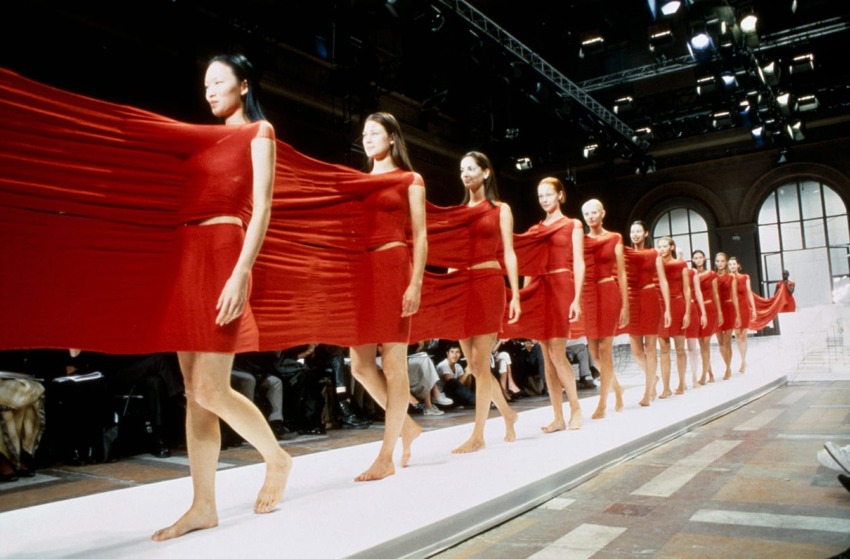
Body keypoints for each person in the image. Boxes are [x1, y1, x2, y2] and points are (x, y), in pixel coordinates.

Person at [150, 54, 293, 542]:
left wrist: (241, 272)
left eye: (219, 81)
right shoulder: (202, 138)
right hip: (187, 257)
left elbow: (263, 209)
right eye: (205, 83)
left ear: (243, 84)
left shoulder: (260, 132)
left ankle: (276, 457)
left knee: (210, 387)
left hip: (224, 255)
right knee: (194, 393)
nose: (209, 90)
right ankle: (203, 505)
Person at [411, 151, 520, 454]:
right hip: (460, 287)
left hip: (488, 284)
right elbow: (450, 255)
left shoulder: (501, 209)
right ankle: (508, 415)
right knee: (472, 364)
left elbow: (509, 252)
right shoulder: (459, 212)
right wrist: (448, 288)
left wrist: (516, 293)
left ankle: (479, 434)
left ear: (486, 172)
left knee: (481, 364)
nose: (466, 173)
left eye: (471, 168)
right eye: (462, 169)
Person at [347, 112, 427, 481]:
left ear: (392, 138)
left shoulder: (410, 179)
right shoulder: (360, 181)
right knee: (359, 365)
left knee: (394, 365)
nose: (367, 138)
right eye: (364, 133)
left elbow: (421, 236)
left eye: (375, 133)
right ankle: (407, 427)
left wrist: (414, 284)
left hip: (394, 268)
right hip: (364, 272)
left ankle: (386, 455)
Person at [504, 177, 585, 431]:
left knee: (556, 353)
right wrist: (526, 296)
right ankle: (558, 417)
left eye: (549, 194)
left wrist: (577, 298)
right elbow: (527, 263)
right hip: (539, 289)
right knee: (546, 359)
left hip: (561, 287)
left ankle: (576, 409)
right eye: (540, 196)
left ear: (560, 195)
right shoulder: (535, 230)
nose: (544, 200)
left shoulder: (573, 225)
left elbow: (579, 262)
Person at [581, 199, 628, 419]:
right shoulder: (580, 240)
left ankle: (602, 403)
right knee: (593, 353)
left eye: (594, 212)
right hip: (588, 294)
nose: (591, 216)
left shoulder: (614, 237)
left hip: (608, 291)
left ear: (603, 213)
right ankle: (617, 388)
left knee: (605, 350)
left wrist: (626, 304)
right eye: (587, 213)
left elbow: (622, 273)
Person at [624, 221, 671, 407]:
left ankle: (648, 391)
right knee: (636, 351)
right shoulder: (626, 254)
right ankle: (653, 378)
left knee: (650, 347)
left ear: (645, 233)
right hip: (632, 299)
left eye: (638, 231)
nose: (635, 234)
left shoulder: (654, 254)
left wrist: (667, 308)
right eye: (632, 231)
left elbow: (664, 281)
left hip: (650, 296)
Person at [656, 237, 698, 398]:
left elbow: (686, 289)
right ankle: (666, 387)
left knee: (680, 348)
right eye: (659, 246)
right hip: (660, 307)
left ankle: (681, 382)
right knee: (664, 349)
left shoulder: (681, 264)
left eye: (665, 246)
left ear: (672, 247)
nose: (661, 249)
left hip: (678, 305)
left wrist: (687, 312)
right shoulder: (657, 264)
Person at [692, 250, 722, 385]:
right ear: (692, 260)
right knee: (700, 343)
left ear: (704, 259)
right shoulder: (691, 274)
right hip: (696, 309)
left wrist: (719, 313)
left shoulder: (711, 274)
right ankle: (709, 373)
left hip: (709, 308)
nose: (698, 260)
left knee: (706, 343)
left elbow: (715, 294)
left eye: (700, 257)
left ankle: (703, 375)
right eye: (695, 258)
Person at [714, 252, 741, 380]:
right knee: (720, 342)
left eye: (722, 261)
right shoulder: (712, 276)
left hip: (728, 308)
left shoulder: (731, 277)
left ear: (726, 263)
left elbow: (734, 296)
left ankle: (727, 368)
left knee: (727, 341)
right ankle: (727, 365)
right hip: (715, 310)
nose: (720, 263)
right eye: (717, 261)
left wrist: (738, 315)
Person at [729, 256, 757, 374]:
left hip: (744, 307)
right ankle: (742, 359)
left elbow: (749, 293)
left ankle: (743, 360)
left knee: (743, 334)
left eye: (734, 264)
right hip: (732, 309)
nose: (732, 266)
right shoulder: (727, 278)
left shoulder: (745, 277)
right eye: (730, 264)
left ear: (738, 265)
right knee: (737, 335)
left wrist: (754, 309)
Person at [685, 256, 708, 388]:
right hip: (676, 307)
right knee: (679, 349)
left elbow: (698, 293)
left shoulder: (692, 273)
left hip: (692, 308)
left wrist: (703, 313)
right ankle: (682, 380)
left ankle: (694, 377)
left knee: (692, 347)